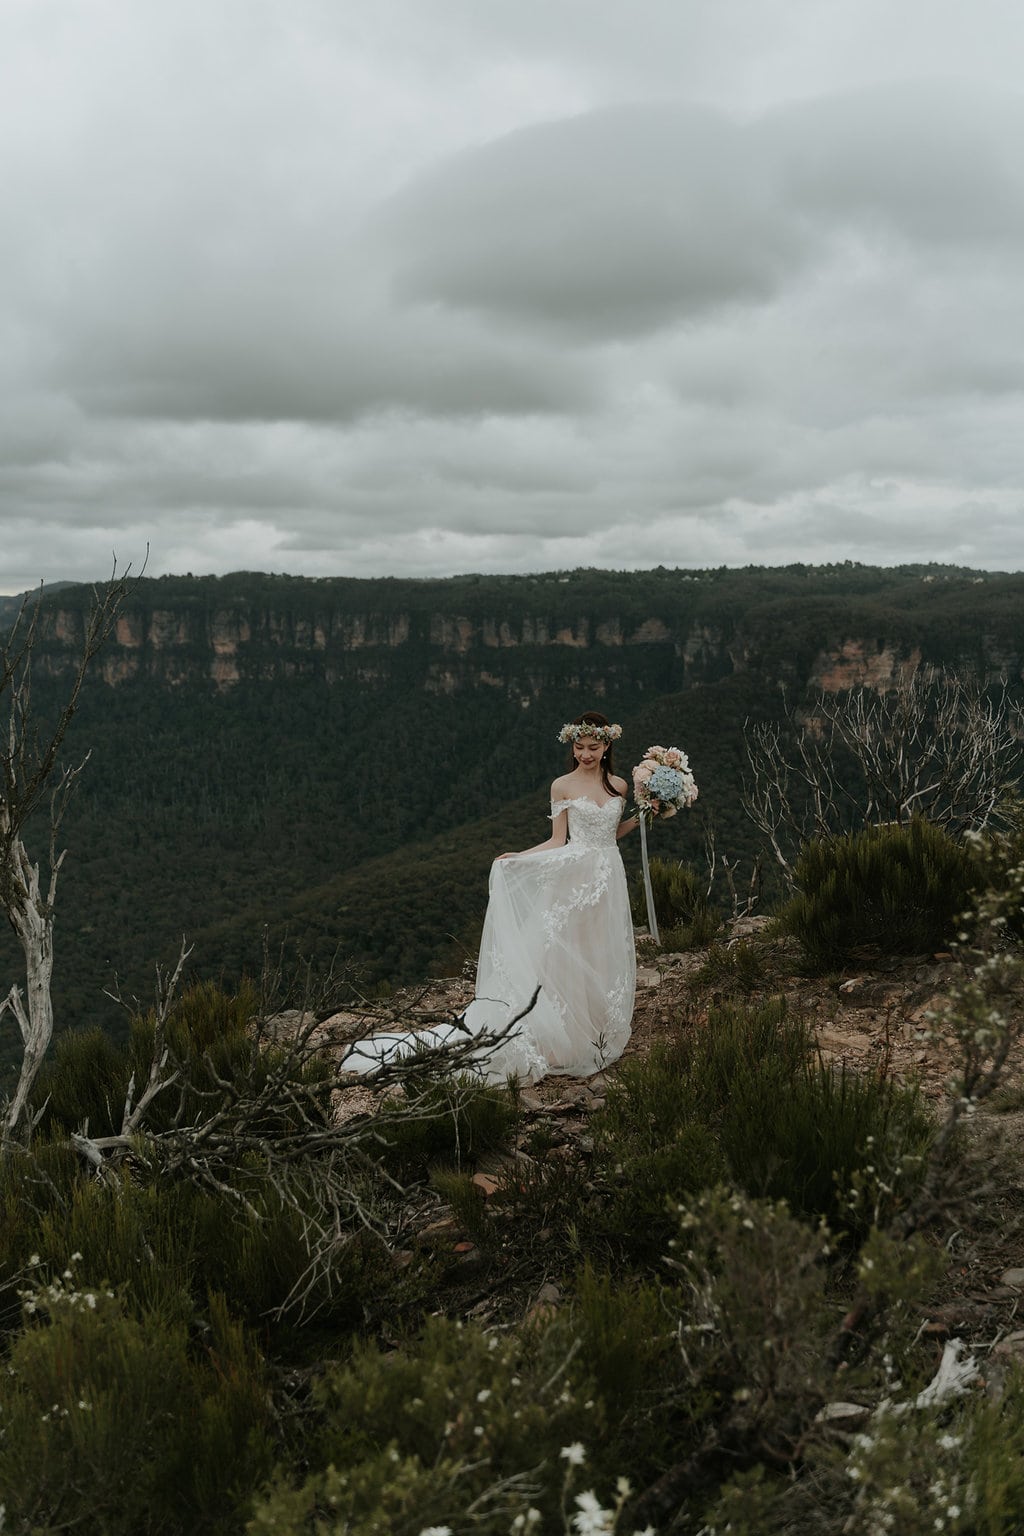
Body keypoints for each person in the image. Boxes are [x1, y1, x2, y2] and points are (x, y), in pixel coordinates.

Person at [344, 710, 641, 1084]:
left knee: (594, 950)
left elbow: (611, 834)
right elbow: (557, 840)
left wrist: (645, 815)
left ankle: (591, 1030)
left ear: (607, 746)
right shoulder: (562, 786)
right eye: (579, 747)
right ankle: (560, 1038)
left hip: (607, 877)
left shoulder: (619, 786)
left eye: (592, 748)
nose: (584, 754)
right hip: (572, 881)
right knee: (562, 953)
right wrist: (519, 858)